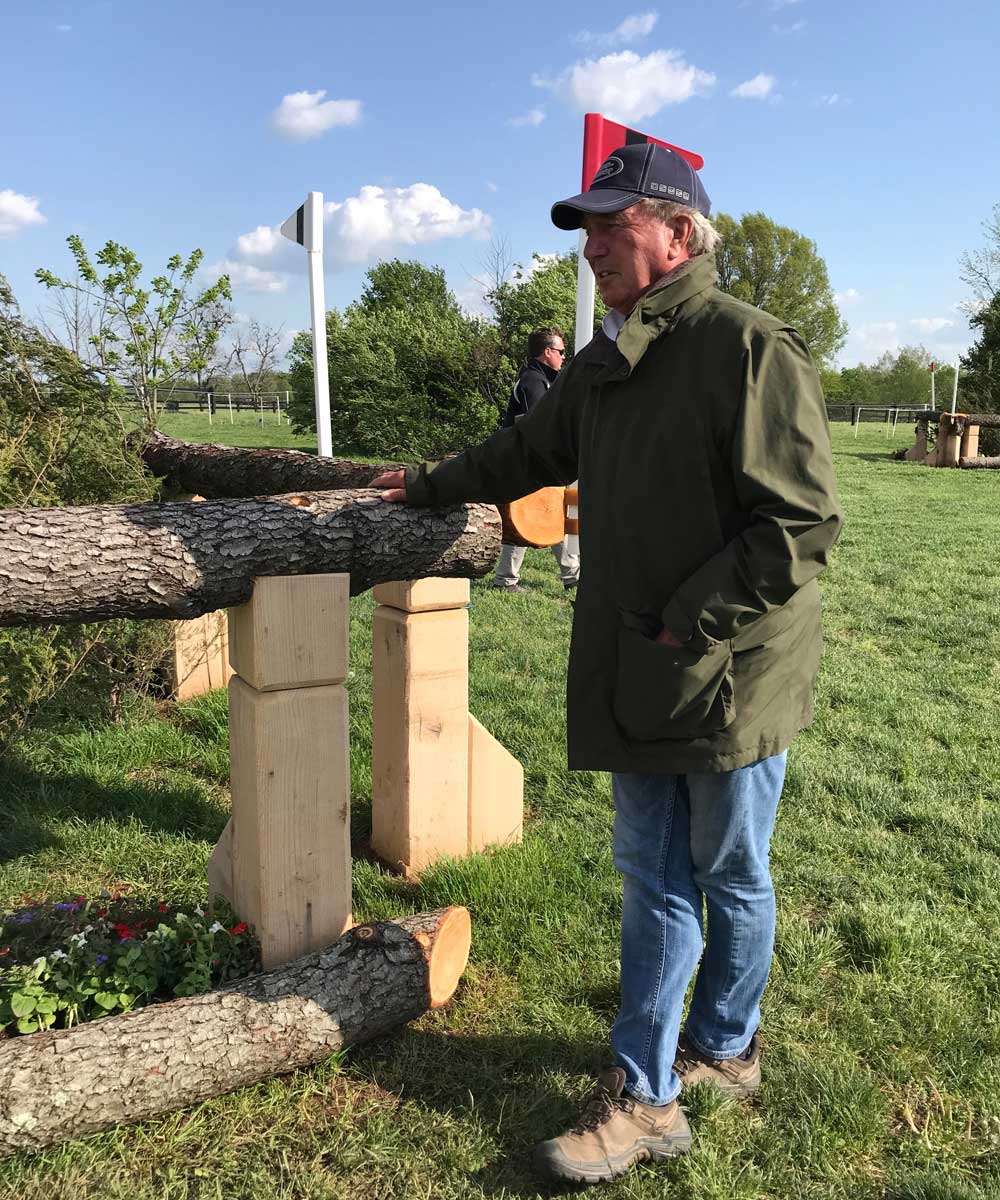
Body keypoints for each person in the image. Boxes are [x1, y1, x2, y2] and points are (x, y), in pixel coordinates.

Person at [372, 141, 842, 1186]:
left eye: (607, 224)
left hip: (728, 671)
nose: (588, 247)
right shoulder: (605, 358)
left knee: (728, 870)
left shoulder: (747, 347)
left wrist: (686, 623)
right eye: (583, 228)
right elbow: (527, 453)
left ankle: (722, 1046)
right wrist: (426, 484)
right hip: (643, 664)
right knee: (653, 878)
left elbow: (798, 527)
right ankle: (648, 1093)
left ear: (677, 234)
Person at [494, 327, 580, 593]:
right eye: (561, 351)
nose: (564, 357)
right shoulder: (534, 382)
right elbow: (539, 428)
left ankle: (571, 576)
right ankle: (506, 580)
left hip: (540, 463)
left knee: (557, 516)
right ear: (548, 352)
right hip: (531, 464)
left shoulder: (539, 379)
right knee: (525, 519)